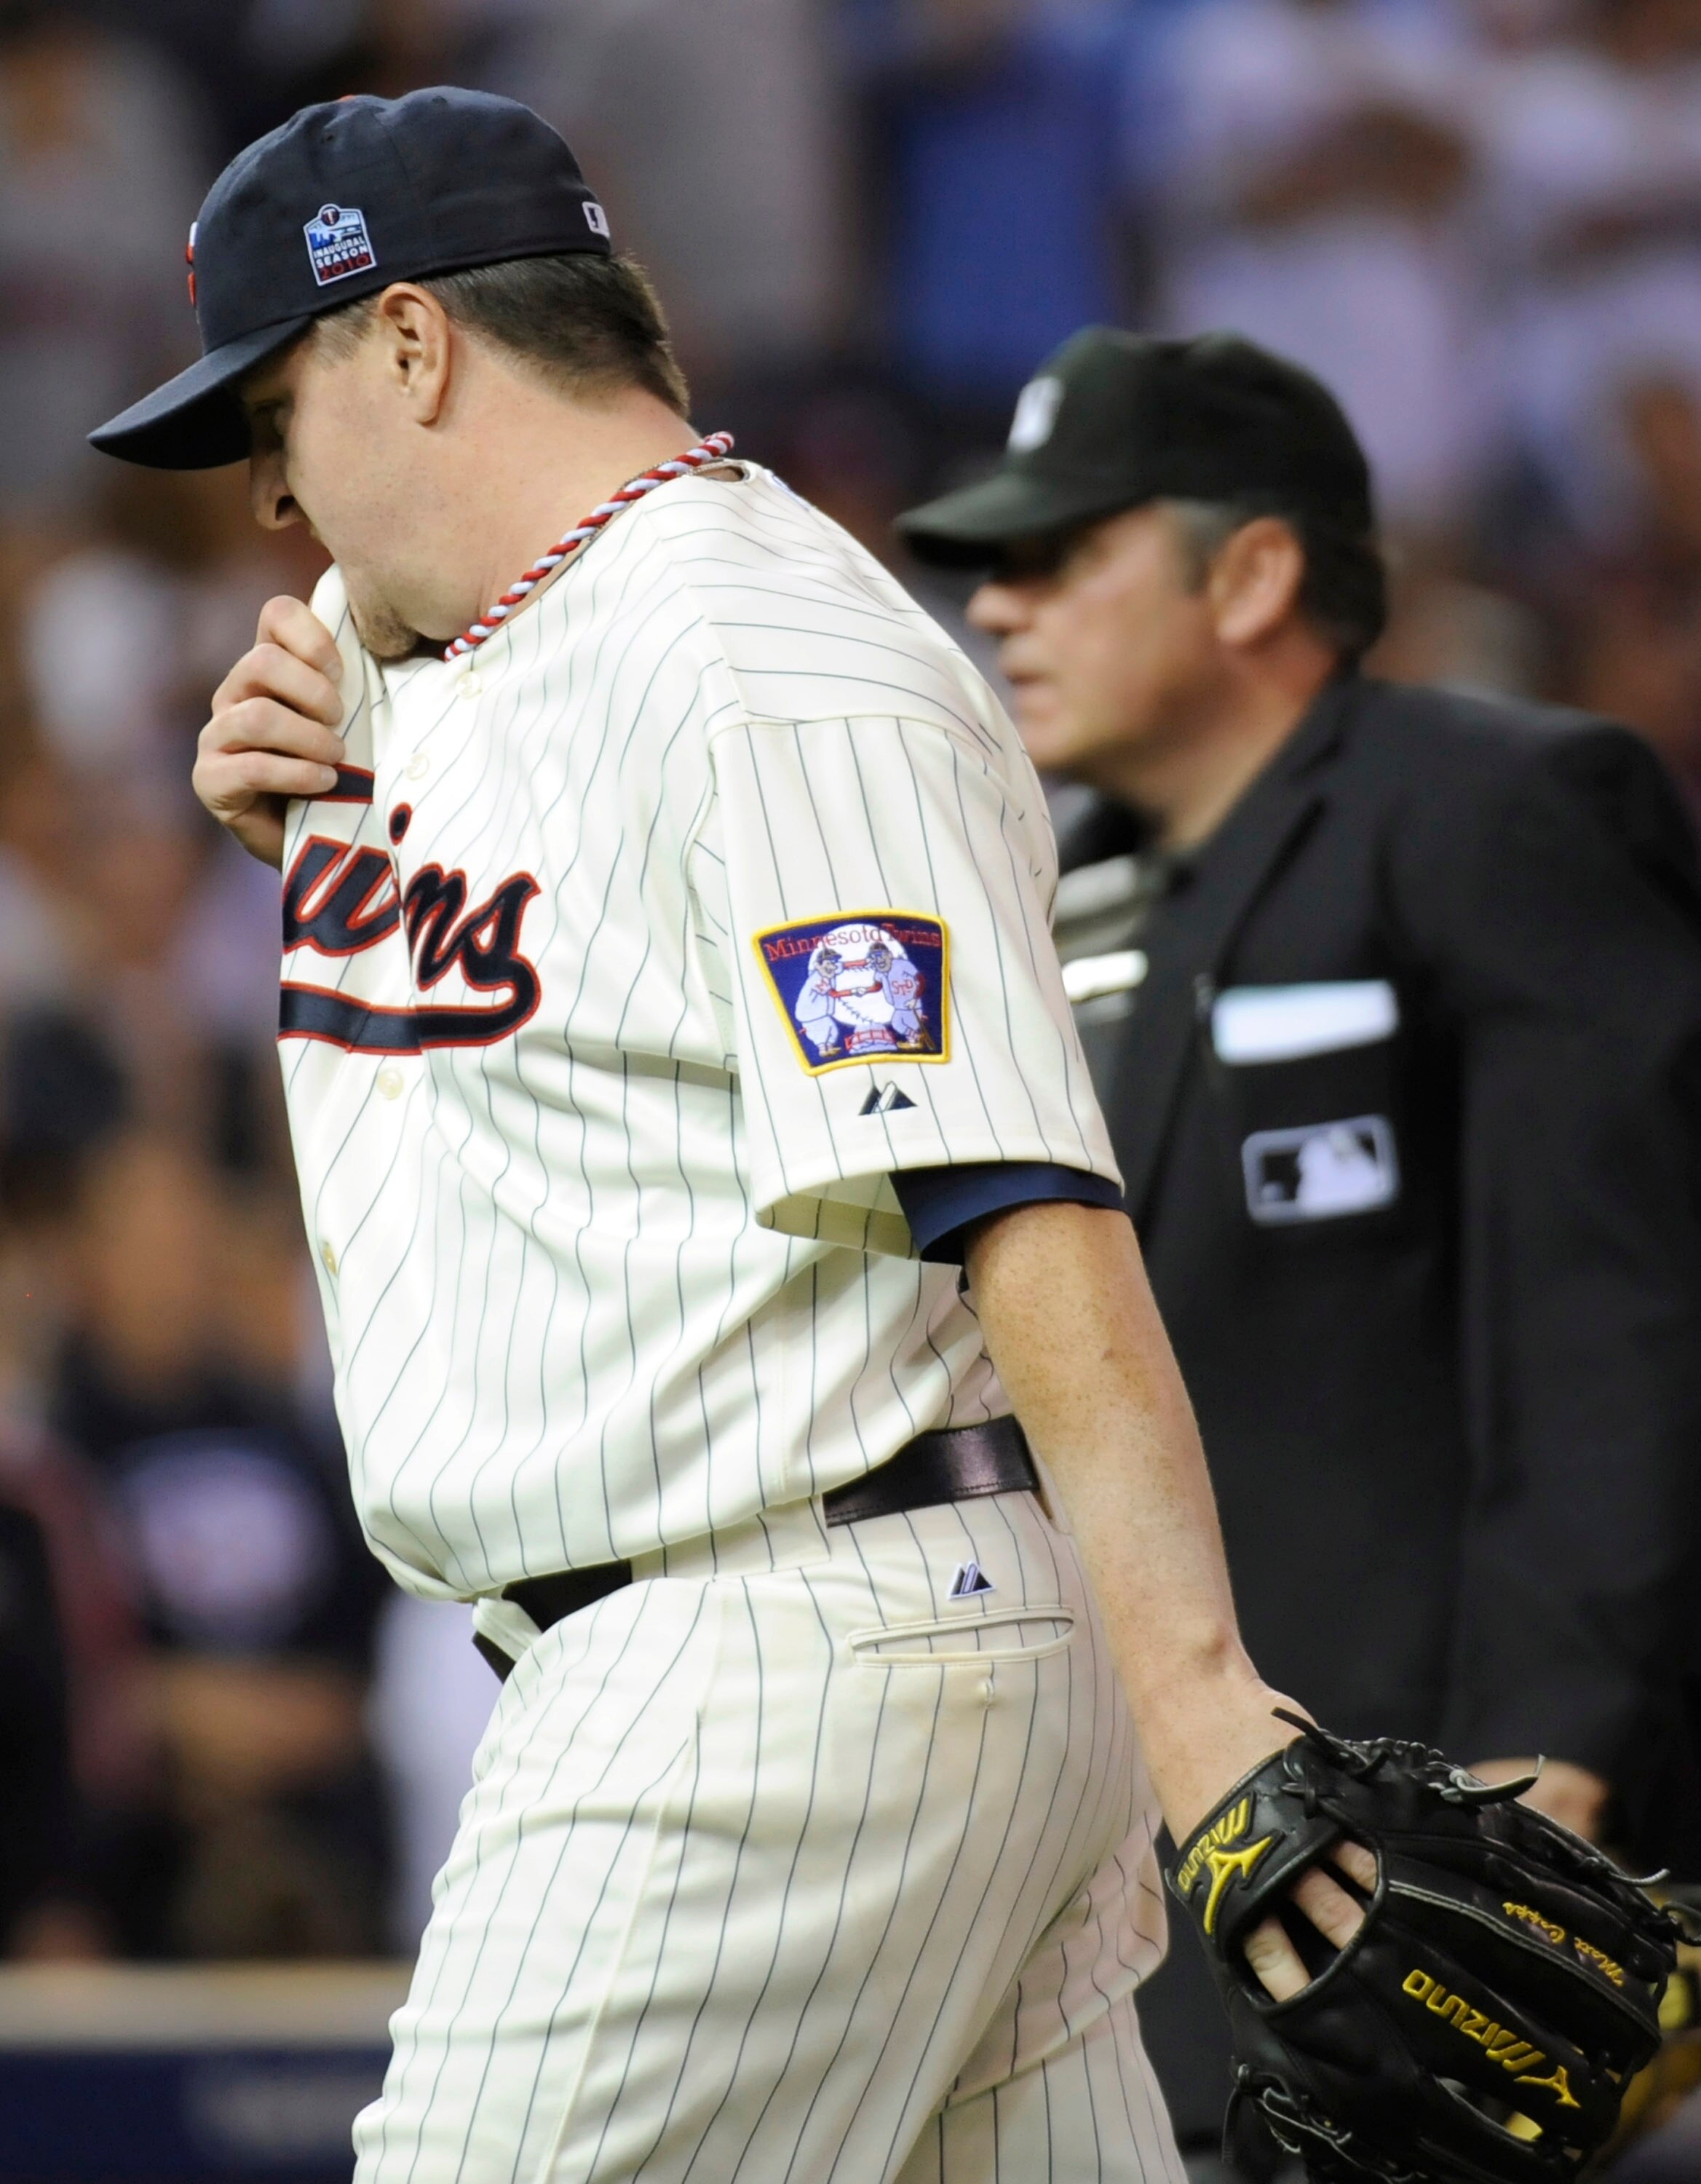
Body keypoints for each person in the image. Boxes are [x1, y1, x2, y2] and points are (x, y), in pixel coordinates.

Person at [90, 90, 1363, 2184]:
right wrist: (295, 825)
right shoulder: (426, 654)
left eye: (273, 413)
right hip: (826, 1645)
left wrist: (1206, 1702)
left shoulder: (763, 656)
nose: (264, 499)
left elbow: (1016, 1193)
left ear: (409, 348)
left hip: (773, 1665)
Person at [897, 324, 1701, 2169]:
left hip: (1417, 1873)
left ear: (1250, 570)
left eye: (1059, 552)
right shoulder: (1036, 893)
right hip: (1103, 1894)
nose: (998, 607)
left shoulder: (1495, 811)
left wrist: (1546, 1768)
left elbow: (1615, 1327)